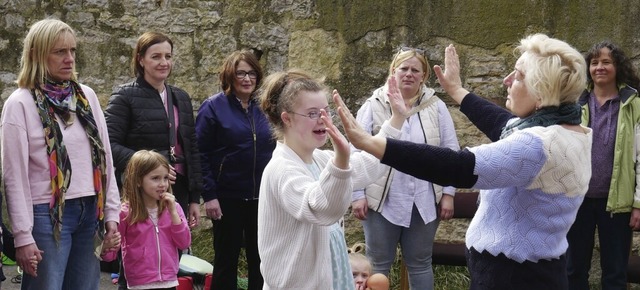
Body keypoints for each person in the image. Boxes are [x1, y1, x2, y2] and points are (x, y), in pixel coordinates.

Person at [337, 34, 592, 289]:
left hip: (514, 277)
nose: (507, 80)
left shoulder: (536, 145)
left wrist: (373, 144)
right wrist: (457, 91)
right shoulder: (567, 131)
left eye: (518, 76)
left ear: (541, 93)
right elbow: (502, 124)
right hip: (535, 270)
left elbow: (458, 166)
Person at [0, 18, 121, 290]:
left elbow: (106, 161)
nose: (70, 59)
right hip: (46, 215)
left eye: (73, 51)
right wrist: (22, 237)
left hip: (90, 210)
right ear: (37, 54)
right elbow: (14, 177)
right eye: (60, 52)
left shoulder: (85, 97)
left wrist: (111, 214)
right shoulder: (19, 104)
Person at [256, 69, 404, 289]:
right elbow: (322, 209)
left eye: (326, 111)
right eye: (313, 113)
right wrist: (341, 160)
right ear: (287, 118)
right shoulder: (282, 169)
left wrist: (396, 120)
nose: (323, 119)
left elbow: (367, 167)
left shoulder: (319, 159)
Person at [351, 46, 460, 289]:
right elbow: (354, 150)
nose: (409, 74)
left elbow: (452, 152)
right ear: (393, 71)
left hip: (423, 199)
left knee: (420, 263)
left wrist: (449, 194)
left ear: (423, 76)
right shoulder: (374, 103)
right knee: (378, 263)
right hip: (381, 200)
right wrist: (357, 194)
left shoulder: (436, 106)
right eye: (404, 68)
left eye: (415, 70)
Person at [195, 50, 275, 290]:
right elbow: (200, 154)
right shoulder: (213, 107)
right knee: (225, 261)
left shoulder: (265, 107)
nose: (247, 79)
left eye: (252, 73)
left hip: (262, 197)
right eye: (241, 73)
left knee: (260, 260)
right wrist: (209, 195)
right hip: (226, 197)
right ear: (230, 75)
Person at [105, 31, 203, 227]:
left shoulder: (180, 97)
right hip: (141, 192)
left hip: (178, 190)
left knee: (174, 249)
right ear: (141, 60)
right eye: (156, 56)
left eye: (168, 56)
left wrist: (194, 198)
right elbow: (109, 146)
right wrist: (152, 165)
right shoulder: (124, 96)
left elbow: (191, 148)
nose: (163, 62)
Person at [566, 41, 640, 290]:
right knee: (573, 270)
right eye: (595, 62)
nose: (600, 67)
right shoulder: (575, 102)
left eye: (606, 62)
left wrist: (638, 204)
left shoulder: (634, 105)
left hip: (617, 204)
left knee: (615, 274)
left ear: (617, 66)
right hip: (578, 200)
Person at [102, 150, 191, 290]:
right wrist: (105, 246)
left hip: (169, 282)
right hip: (138, 284)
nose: (162, 184)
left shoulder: (174, 208)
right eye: (155, 178)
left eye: (165, 178)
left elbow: (184, 243)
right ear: (138, 180)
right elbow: (110, 256)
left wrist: (173, 213)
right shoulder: (125, 212)